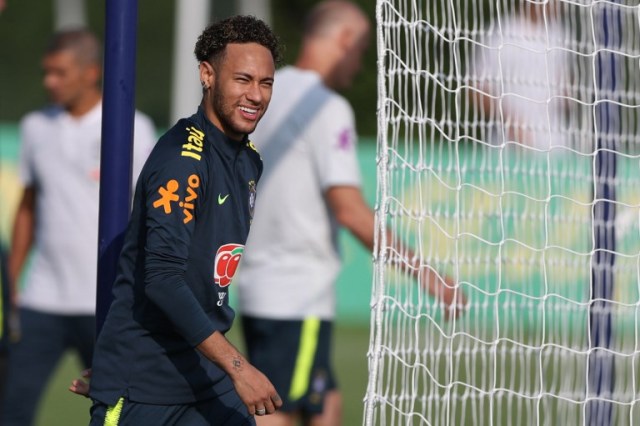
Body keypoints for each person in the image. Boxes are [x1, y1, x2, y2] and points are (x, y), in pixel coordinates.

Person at [234, 2, 467, 425]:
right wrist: (426, 274)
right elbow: (351, 211)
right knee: (276, 411)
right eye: (360, 51)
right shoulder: (326, 107)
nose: (359, 64)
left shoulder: (264, 93)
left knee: (328, 404)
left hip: (257, 283)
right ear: (343, 41)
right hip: (296, 293)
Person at [84, 15, 283, 425]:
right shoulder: (183, 161)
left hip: (204, 381)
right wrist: (240, 369)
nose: (257, 95)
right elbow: (163, 278)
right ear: (207, 75)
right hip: (144, 388)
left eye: (266, 83)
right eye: (243, 79)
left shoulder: (249, 160)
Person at [2, 28, 157, 425]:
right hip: (42, 299)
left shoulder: (133, 128)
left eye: (60, 72)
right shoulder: (37, 126)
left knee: (119, 412)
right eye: (45, 73)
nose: (49, 82)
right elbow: (28, 207)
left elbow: (151, 212)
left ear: (91, 72)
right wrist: (13, 280)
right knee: (11, 408)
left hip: (105, 300)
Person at [469, 1, 570, 150]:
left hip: (556, 145)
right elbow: (476, 89)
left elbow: (564, 86)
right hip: (510, 146)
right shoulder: (502, 32)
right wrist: (512, 122)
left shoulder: (560, 34)